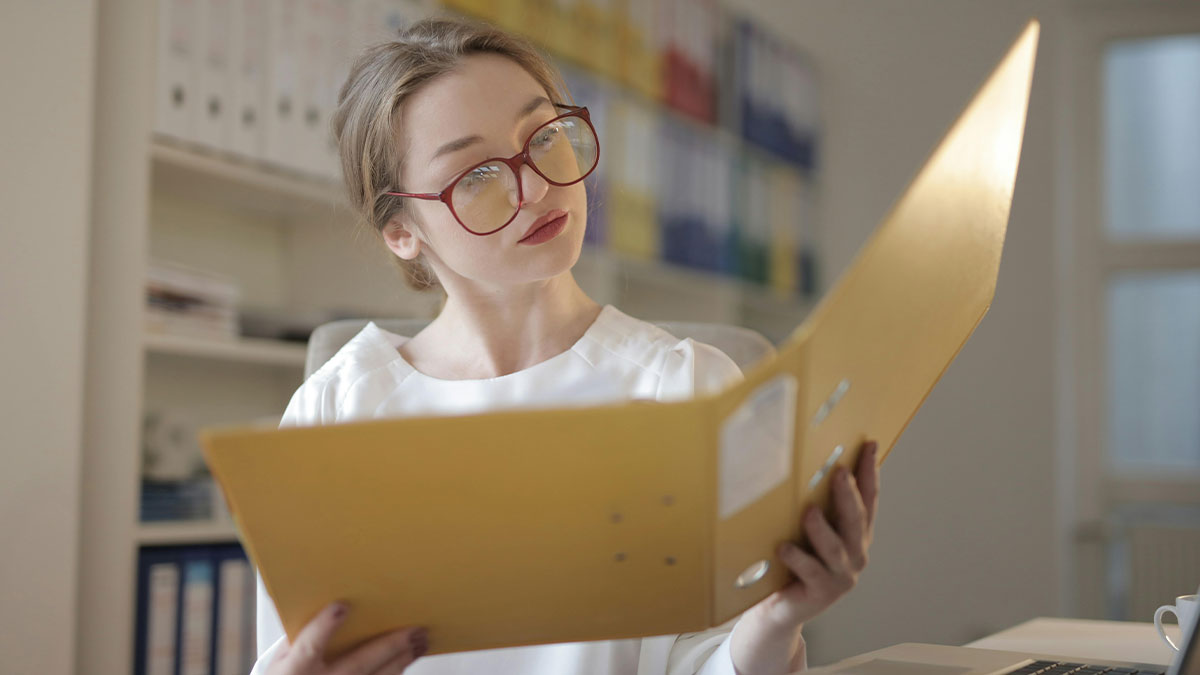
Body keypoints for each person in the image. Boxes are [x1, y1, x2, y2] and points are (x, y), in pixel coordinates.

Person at [252, 17, 881, 675]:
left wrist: (779, 617)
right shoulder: (335, 408)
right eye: (474, 174)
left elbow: (712, 661)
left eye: (544, 136)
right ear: (402, 230)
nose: (535, 185)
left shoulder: (687, 388)